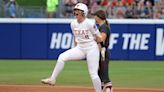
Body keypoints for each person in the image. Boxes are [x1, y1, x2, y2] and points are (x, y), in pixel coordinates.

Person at [41, 3, 103, 92]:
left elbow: (99, 37)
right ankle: (52, 79)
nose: (76, 12)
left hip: (91, 48)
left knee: (93, 74)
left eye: (78, 11)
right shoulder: (73, 24)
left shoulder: (89, 23)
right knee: (61, 57)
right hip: (80, 48)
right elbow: (75, 37)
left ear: (84, 12)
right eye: (75, 11)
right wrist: (75, 49)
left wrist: (100, 49)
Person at [93, 10, 113, 92]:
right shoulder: (102, 27)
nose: (94, 17)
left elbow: (102, 41)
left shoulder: (104, 27)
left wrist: (97, 54)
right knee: (100, 76)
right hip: (101, 52)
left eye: (95, 16)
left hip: (102, 52)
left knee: (105, 76)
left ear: (98, 17)